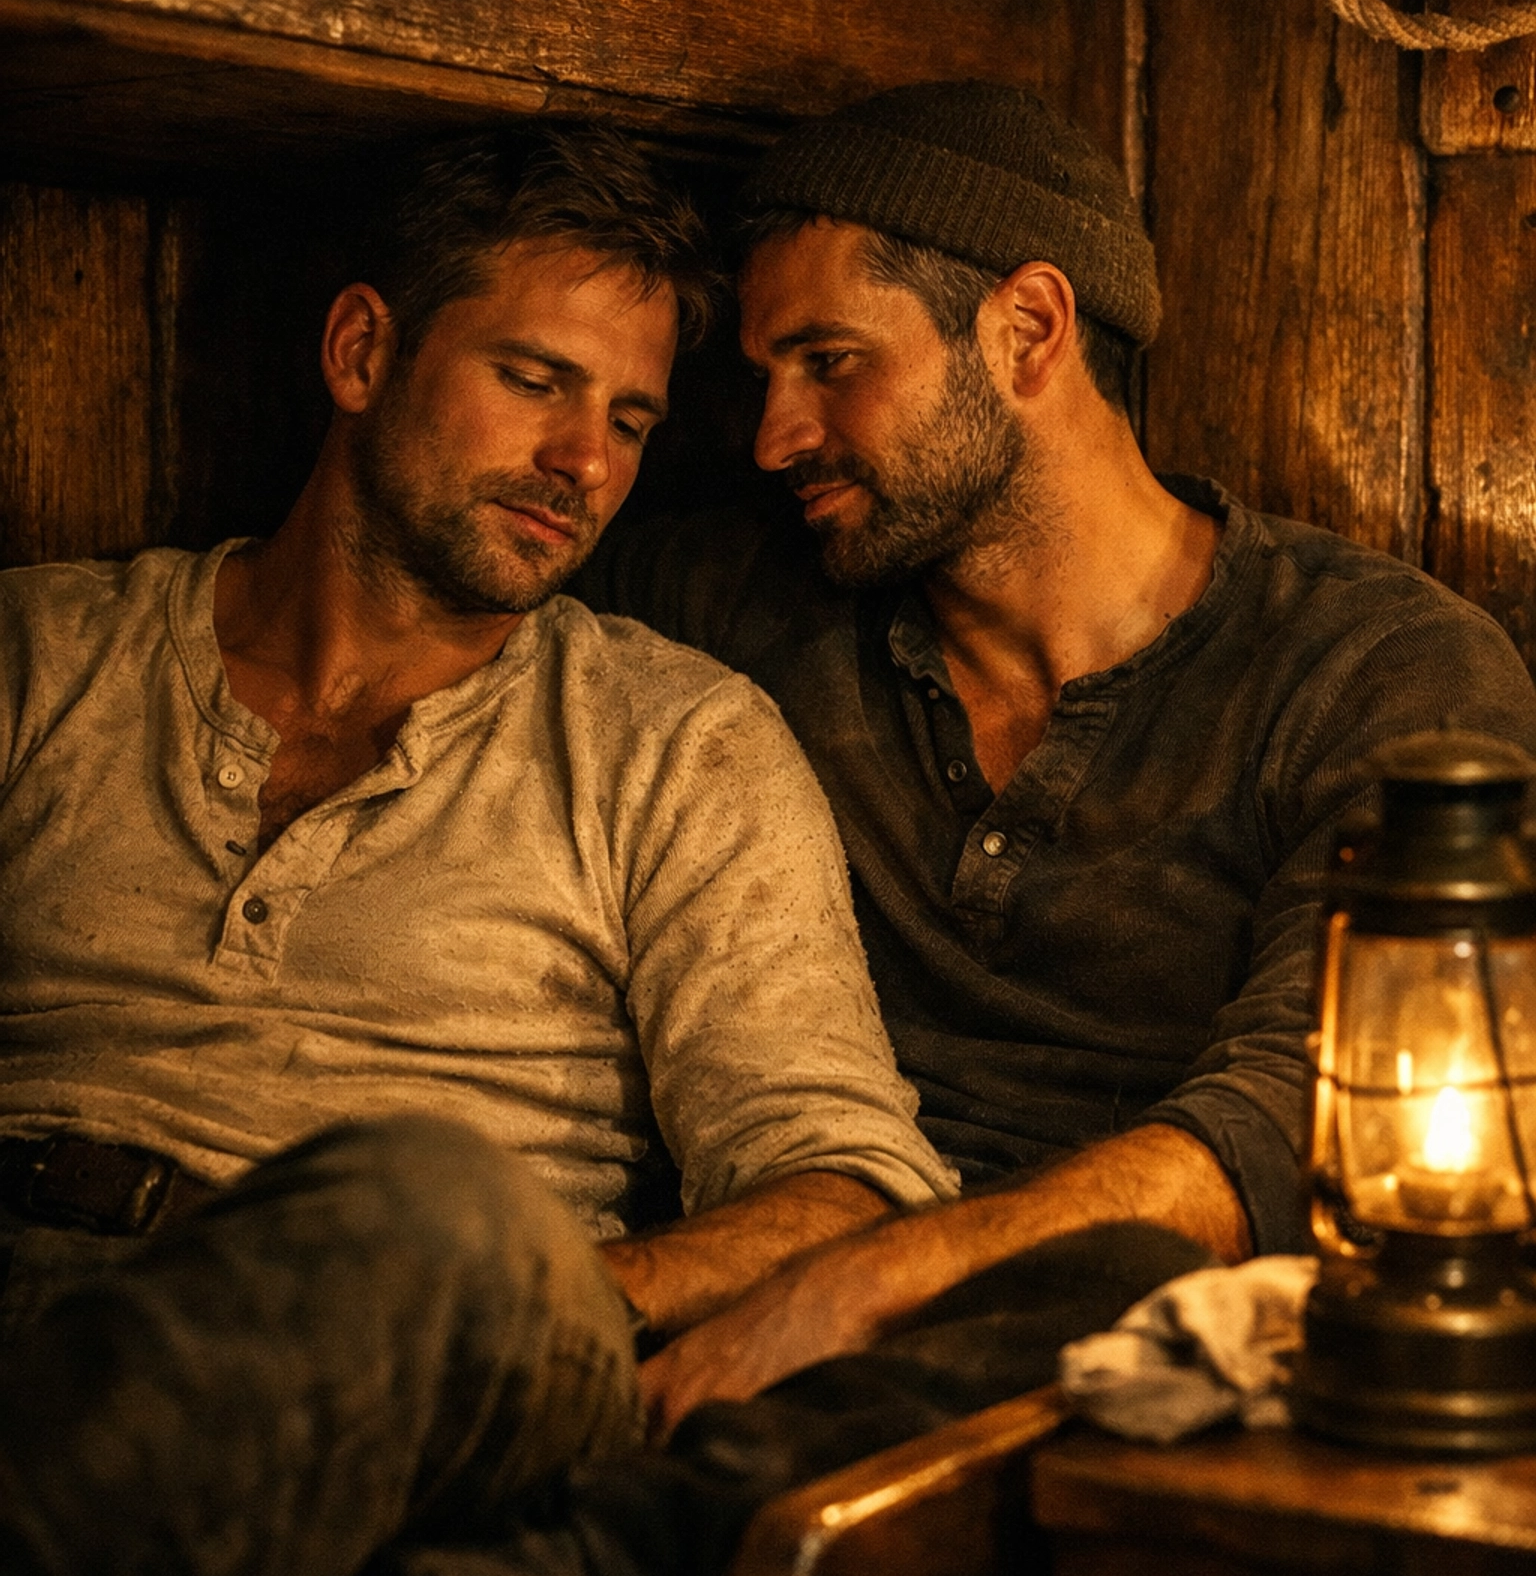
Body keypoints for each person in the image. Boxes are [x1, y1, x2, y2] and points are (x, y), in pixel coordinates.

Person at [0, 126, 954, 1576]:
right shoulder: (44, 655)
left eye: (630, 420)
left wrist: (548, 1289)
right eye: (535, 381)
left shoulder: (672, 740)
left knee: (426, 1205)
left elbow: (849, 1183)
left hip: (439, 1344)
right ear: (363, 352)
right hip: (48, 1295)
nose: (585, 463)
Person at [576, 79, 1536, 1431]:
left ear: (1028, 329)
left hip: (1091, 1354)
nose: (775, 437)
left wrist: (879, 1280)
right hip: (752, 1274)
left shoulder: (1374, 667)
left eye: (830, 361)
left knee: (1127, 1284)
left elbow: (1298, 1113)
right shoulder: (733, 602)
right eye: (763, 379)